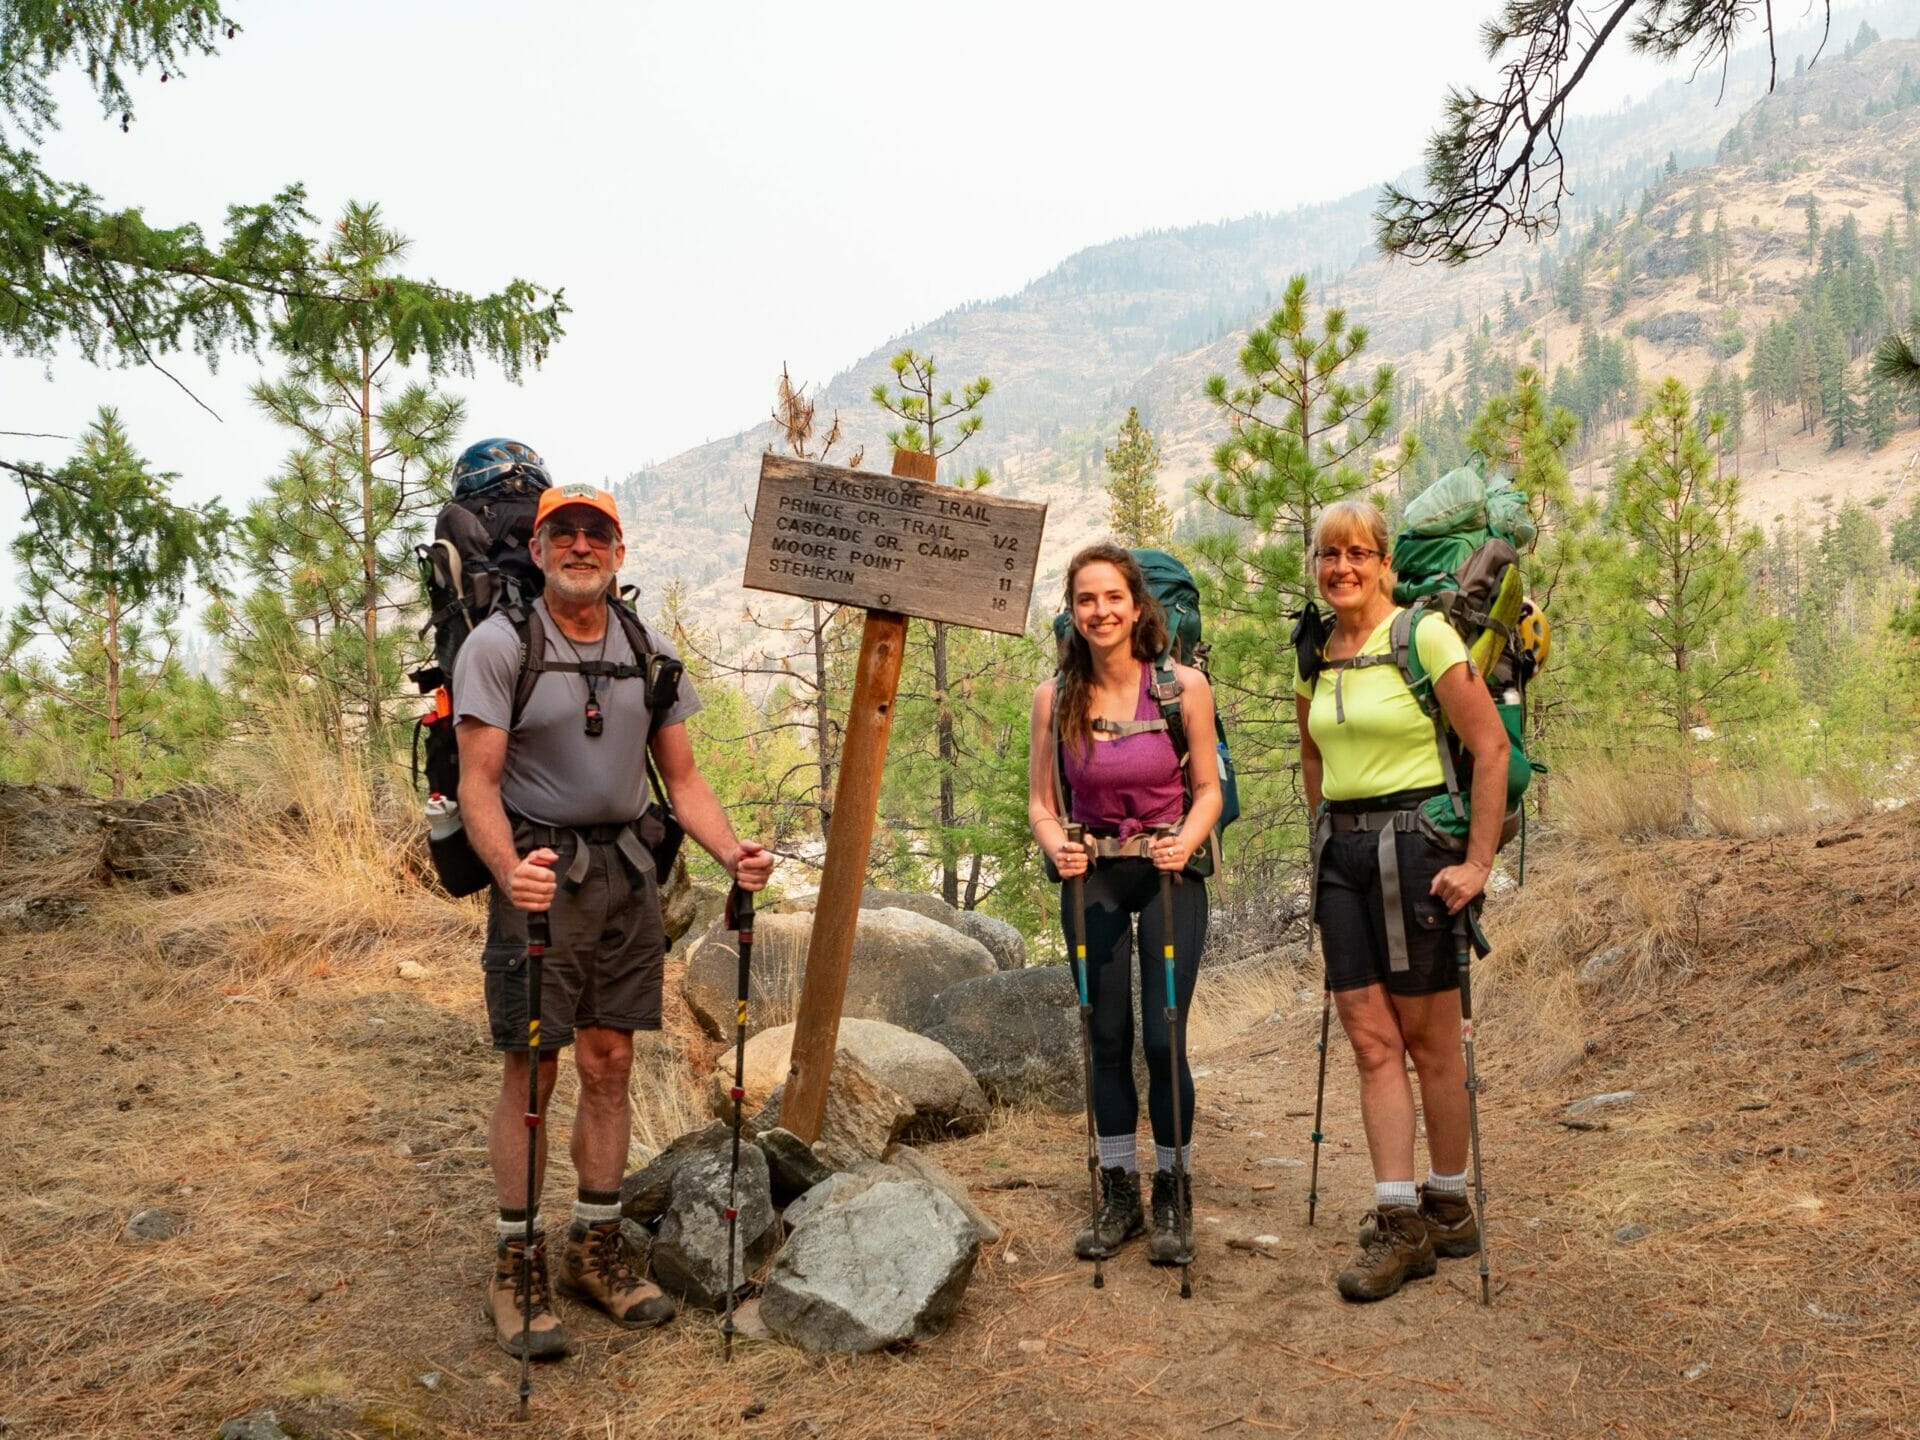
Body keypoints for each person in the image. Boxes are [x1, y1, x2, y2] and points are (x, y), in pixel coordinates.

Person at [455, 471, 774, 1358]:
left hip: (629, 878)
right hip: (541, 877)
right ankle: (515, 1261)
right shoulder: (497, 645)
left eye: (597, 534)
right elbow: (475, 784)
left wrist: (731, 852)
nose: (581, 547)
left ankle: (594, 1249)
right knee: (535, 1069)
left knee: (610, 1058)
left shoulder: (649, 647)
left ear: (620, 550)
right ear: (538, 548)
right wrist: (509, 870)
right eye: (565, 535)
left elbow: (685, 779)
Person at [1294, 499, 1509, 1302]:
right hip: (1343, 858)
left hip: (1416, 849)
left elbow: (1488, 748)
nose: (1342, 567)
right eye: (1328, 555)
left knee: (1430, 1042)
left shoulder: (1423, 636)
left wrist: (1478, 861)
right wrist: (1322, 835)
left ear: (1384, 563)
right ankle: (1401, 1219)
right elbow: (1311, 749)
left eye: (1357, 554)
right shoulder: (1315, 648)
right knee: (1371, 1041)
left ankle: (1448, 1202)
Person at [1028, 543, 1223, 1266]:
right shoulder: (1054, 698)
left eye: (1112, 598)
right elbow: (1042, 803)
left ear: (1138, 607)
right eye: (1086, 600)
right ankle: (1119, 1192)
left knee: (1163, 1038)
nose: (1100, 611)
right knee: (1104, 1038)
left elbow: (1209, 790)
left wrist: (1186, 841)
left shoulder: (1183, 688)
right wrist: (1058, 846)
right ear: (1072, 612)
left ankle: (1173, 1189)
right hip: (1094, 876)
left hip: (1171, 872)